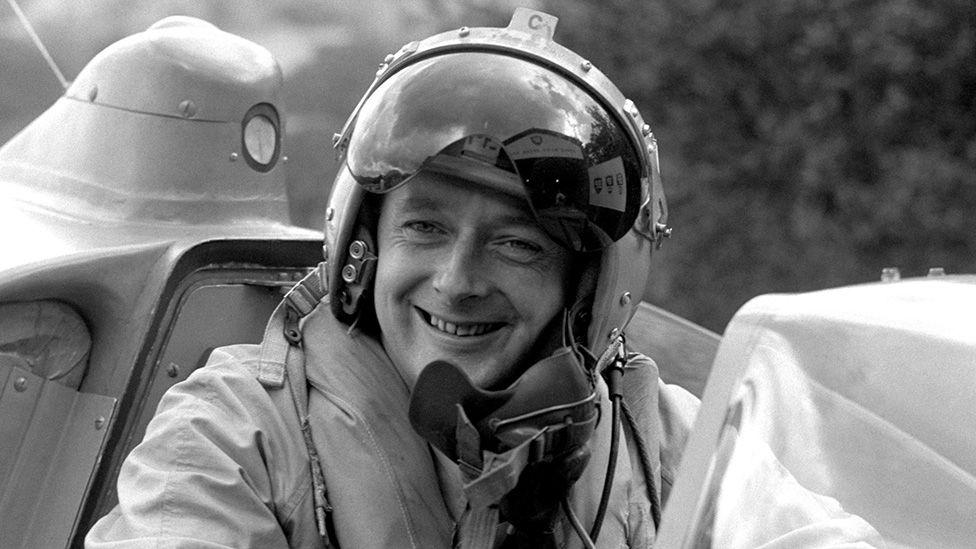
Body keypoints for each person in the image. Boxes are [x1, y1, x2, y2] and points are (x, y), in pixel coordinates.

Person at [85, 8, 876, 549]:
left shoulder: (659, 438)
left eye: (518, 245)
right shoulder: (238, 431)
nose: (458, 280)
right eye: (424, 227)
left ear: (587, 291)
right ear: (364, 243)